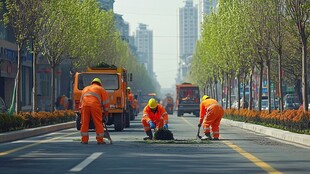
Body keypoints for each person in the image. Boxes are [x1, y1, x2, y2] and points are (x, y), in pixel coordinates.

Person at [79, 78, 110, 144]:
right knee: (98, 122)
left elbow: (81, 100)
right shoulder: (101, 89)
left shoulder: (85, 88)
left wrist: (80, 110)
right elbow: (106, 103)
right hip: (95, 106)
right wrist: (106, 114)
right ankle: (100, 140)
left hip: (85, 106)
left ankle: (84, 140)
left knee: (84, 123)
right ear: (100, 84)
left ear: (92, 83)